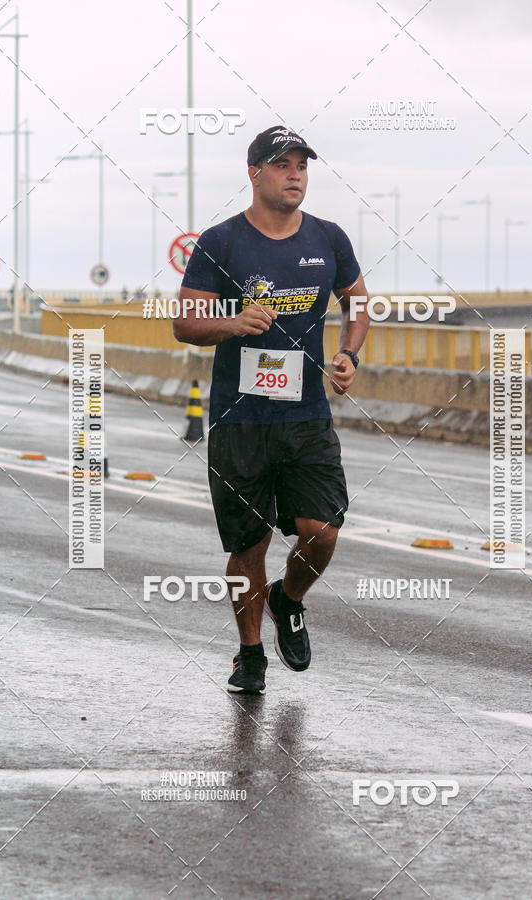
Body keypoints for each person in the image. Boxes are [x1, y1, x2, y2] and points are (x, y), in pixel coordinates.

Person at [174, 125, 370, 694]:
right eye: (282, 165)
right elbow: (185, 322)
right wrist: (233, 324)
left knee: (323, 532)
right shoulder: (221, 242)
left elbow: (358, 304)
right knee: (248, 546)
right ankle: (249, 653)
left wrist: (348, 353)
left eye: (302, 167)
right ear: (254, 172)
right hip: (241, 421)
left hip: (305, 417)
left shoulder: (329, 239)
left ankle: (289, 599)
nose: (295, 175)